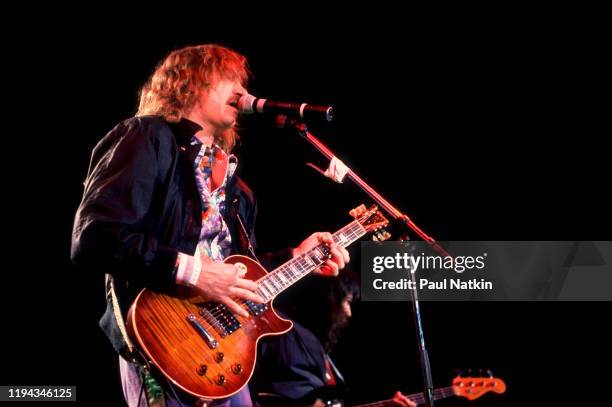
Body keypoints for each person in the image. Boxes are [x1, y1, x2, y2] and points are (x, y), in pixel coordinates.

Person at [71, 44, 350, 407]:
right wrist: (195, 272)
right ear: (189, 83)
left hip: (223, 355)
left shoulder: (238, 189)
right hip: (163, 339)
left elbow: (235, 272)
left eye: (242, 83)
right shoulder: (146, 137)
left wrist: (295, 256)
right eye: (228, 79)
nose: (242, 92)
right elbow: (94, 237)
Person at [252, 273, 416, 407]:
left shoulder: (315, 345)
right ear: (330, 298)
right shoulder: (284, 331)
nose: (349, 313)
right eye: (348, 302)